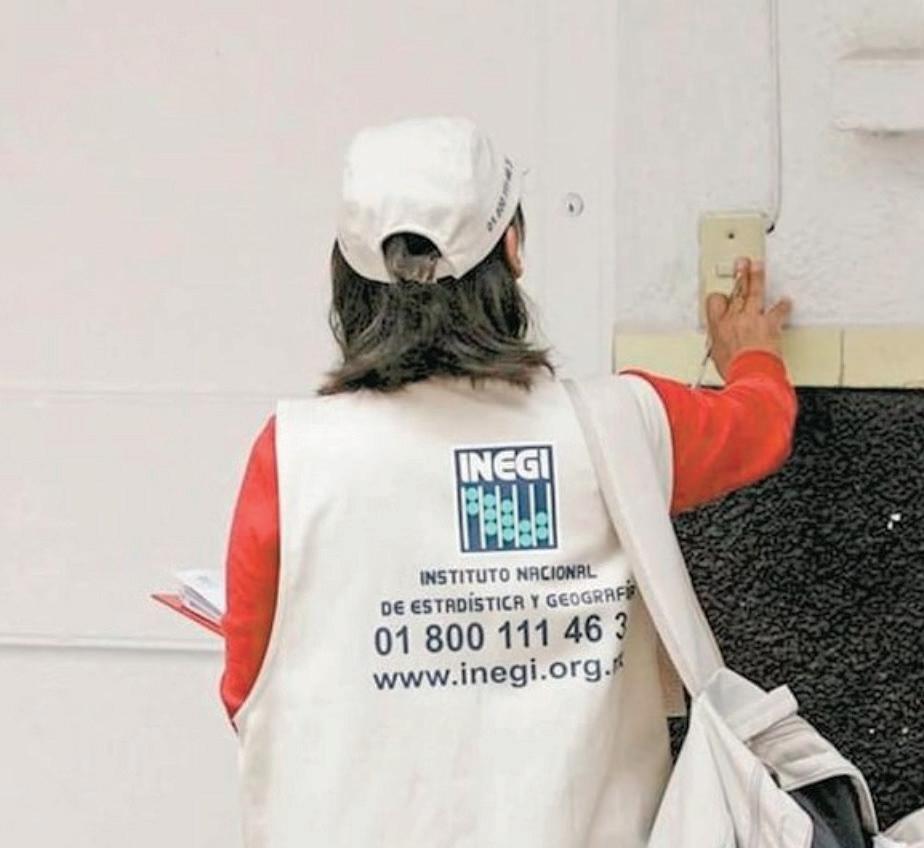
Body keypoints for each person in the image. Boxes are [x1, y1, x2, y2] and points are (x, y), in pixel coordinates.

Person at [220, 115, 796, 847]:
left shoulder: (295, 455)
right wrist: (752, 357)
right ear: (514, 249)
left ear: (346, 276)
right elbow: (760, 426)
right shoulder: (622, 426)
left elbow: (246, 690)